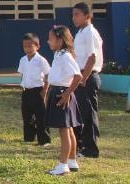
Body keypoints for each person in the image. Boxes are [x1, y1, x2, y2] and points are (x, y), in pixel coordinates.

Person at [45, 25, 83, 176]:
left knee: (64, 131)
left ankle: (63, 165)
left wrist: (67, 94)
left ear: (60, 41)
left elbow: (78, 76)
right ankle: (72, 161)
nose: (48, 41)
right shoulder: (58, 54)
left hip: (62, 93)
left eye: (51, 39)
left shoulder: (65, 56)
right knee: (68, 129)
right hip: (59, 91)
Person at [72, 2, 104, 158]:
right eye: (73, 14)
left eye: (77, 14)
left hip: (88, 76)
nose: (74, 18)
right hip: (81, 75)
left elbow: (92, 57)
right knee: (80, 113)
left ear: (87, 15)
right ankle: (81, 144)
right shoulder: (80, 32)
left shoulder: (90, 32)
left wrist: (84, 78)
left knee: (89, 113)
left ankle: (91, 149)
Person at [17, 32, 51, 146]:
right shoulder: (23, 60)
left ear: (37, 46)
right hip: (26, 91)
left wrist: (44, 90)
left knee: (41, 116)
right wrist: (22, 85)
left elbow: (47, 75)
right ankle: (29, 137)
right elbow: (22, 74)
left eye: (30, 46)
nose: (27, 48)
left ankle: (44, 139)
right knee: (27, 115)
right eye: (25, 46)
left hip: (38, 90)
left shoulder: (41, 60)